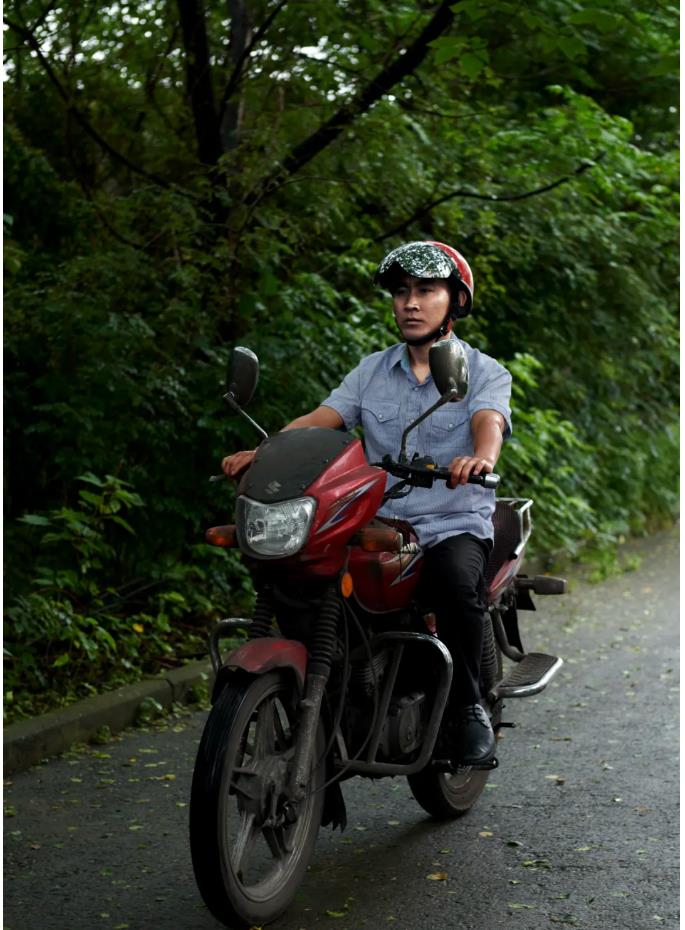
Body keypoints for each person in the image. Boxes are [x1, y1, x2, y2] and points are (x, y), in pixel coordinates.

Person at [222, 240, 512, 766]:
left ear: (456, 302)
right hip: (378, 522)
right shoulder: (372, 371)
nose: (411, 303)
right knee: (305, 579)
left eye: (426, 290)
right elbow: (322, 419)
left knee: (453, 583)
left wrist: (480, 457)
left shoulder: (481, 370)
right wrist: (267, 451)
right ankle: (335, 707)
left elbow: (487, 421)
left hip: (451, 519)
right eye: (402, 292)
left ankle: (467, 706)